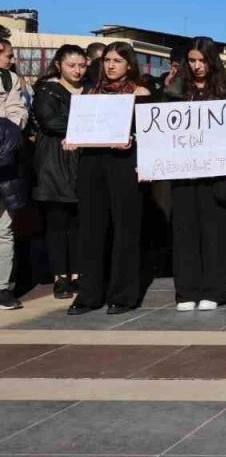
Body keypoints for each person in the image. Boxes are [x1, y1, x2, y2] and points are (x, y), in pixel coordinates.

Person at [68, 42, 152, 315]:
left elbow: (150, 136)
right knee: (91, 231)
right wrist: (72, 139)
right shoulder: (90, 92)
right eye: (106, 60)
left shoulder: (140, 93)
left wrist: (132, 141)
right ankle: (89, 294)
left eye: (117, 60)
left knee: (125, 231)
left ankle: (123, 295)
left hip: (124, 166)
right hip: (92, 166)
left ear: (129, 64)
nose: (111, 65)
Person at [166, 37, 226, 311]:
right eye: (192, 60)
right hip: (183, 172)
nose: (197, 66)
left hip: (216, 173)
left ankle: (214, 289)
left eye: (202, 60)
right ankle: (186, 291)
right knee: (184, 230)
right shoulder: (174, 91)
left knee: (214, 232)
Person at [30, 45, 88, 300]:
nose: (77, 70)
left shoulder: (91, 89)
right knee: (56, 223)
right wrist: (87, 123)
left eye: (82, 65)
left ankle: (77, 272)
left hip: (82, 163)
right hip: (54, 164)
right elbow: (50, 121)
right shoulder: (46, 90)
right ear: (59, 66)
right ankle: (59, 277)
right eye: (71, 65)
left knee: (78, 222)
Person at [0, 118, 31, 311]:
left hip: (3, 177)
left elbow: (17, 116)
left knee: (3, 231)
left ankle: (2, 288)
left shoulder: (5, 86)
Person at [0, 39, 30, 129]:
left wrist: (9, 130)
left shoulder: (11, 78)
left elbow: (17, 111)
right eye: (9, 57)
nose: (12, 61)